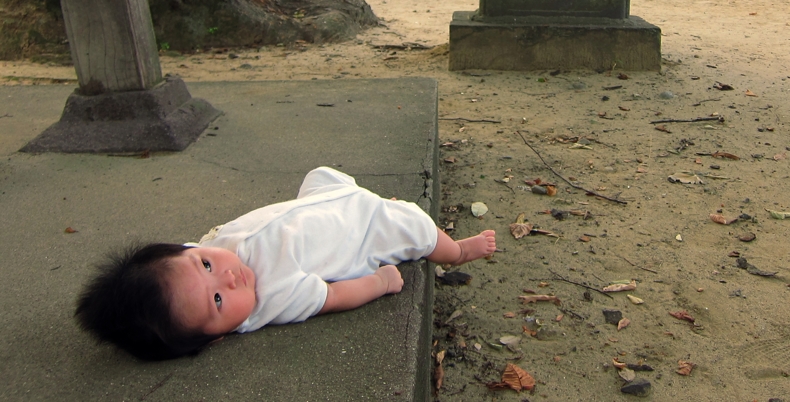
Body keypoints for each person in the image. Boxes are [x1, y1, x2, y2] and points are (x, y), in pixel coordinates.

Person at [75, 166, 496, 360]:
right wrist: (380, 283)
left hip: (320, 204)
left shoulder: (207, 248)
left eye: (204, 266)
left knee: (320, 174)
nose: (226, 277)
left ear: (188, 250)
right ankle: (458, 249)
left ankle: (366, 202)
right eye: (218, 301)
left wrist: (196, 259)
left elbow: (184, 258)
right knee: (418, 229)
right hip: (360, 234)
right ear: (219, 337)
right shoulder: (274, 297)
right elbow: (331, 295)